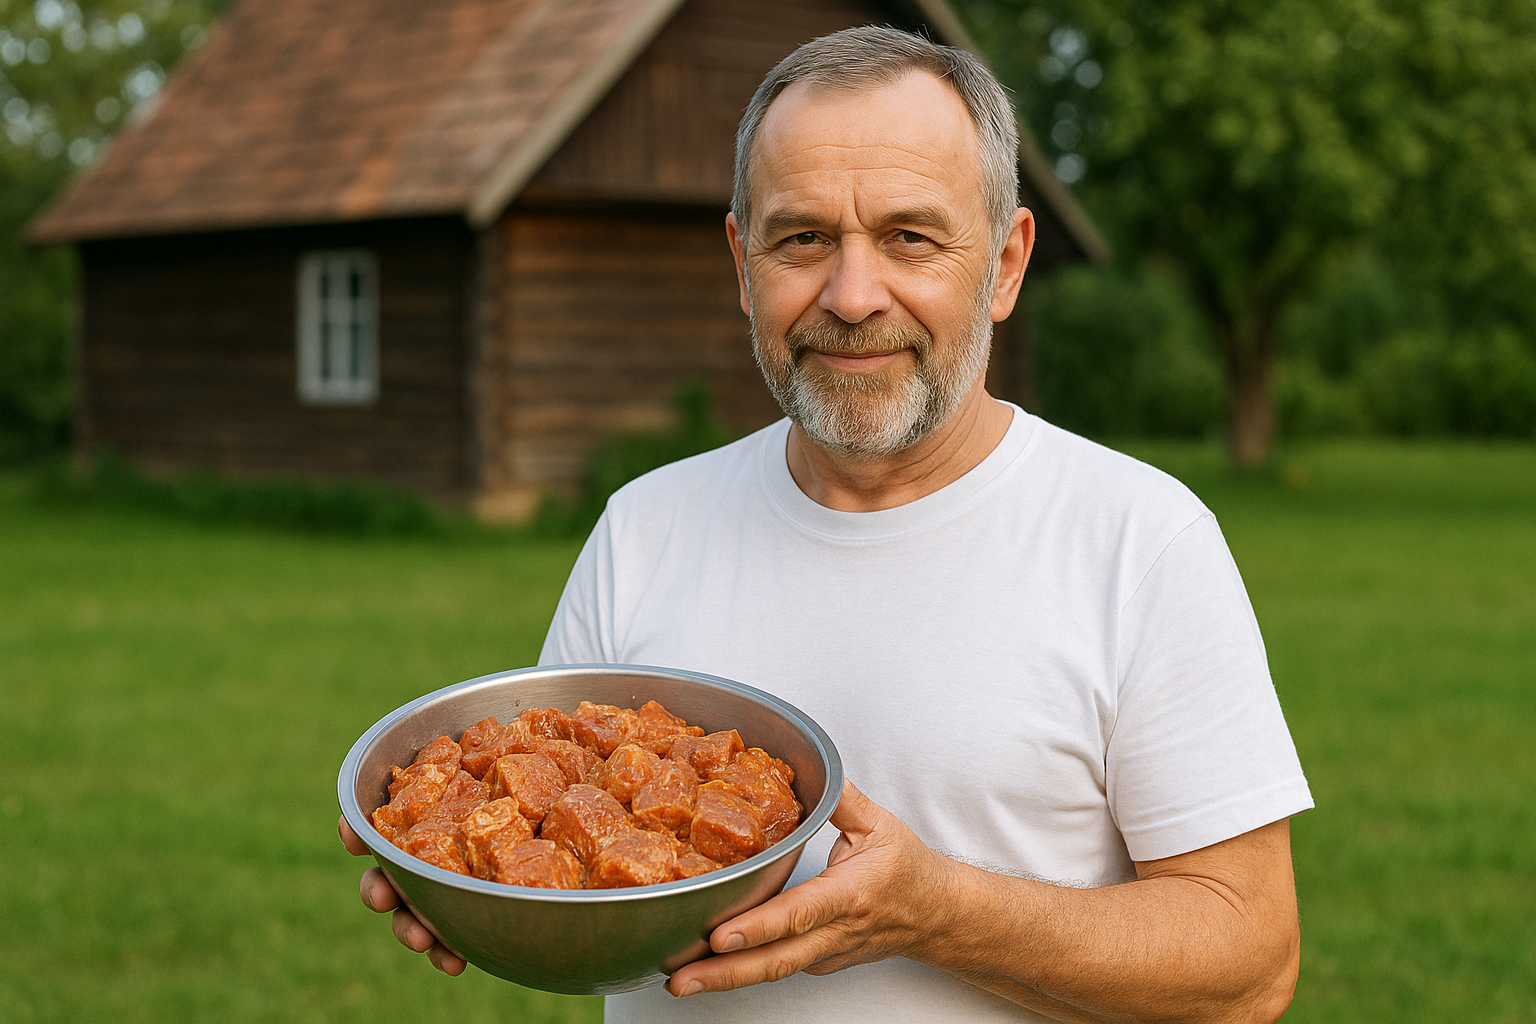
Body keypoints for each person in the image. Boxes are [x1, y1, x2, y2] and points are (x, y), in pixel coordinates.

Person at [340, 26, 1313, 1024]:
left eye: (910, 238)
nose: (853, 297)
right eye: (802, 238)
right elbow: (575, 851)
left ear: (1008, 264)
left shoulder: (1141, 543)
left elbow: (1248, 966)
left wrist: (939, 914)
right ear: (742, 260)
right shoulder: (646, 527)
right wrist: (469, 888)